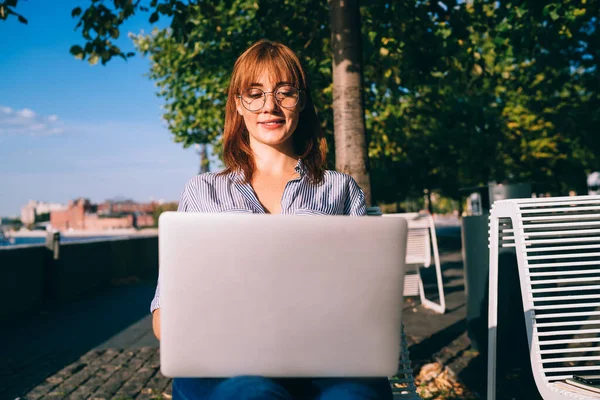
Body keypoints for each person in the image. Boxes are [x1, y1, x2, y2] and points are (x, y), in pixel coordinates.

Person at [150, 39, 393, 400]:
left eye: (285, 92)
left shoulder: (339, 189)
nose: (270, 106)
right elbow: (163, 318)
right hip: (225, 363)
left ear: (303, 101)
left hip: (329, 362)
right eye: (255, 93)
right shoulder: (203, 192)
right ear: (238, 103)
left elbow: (373, 304)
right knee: (250, 394)